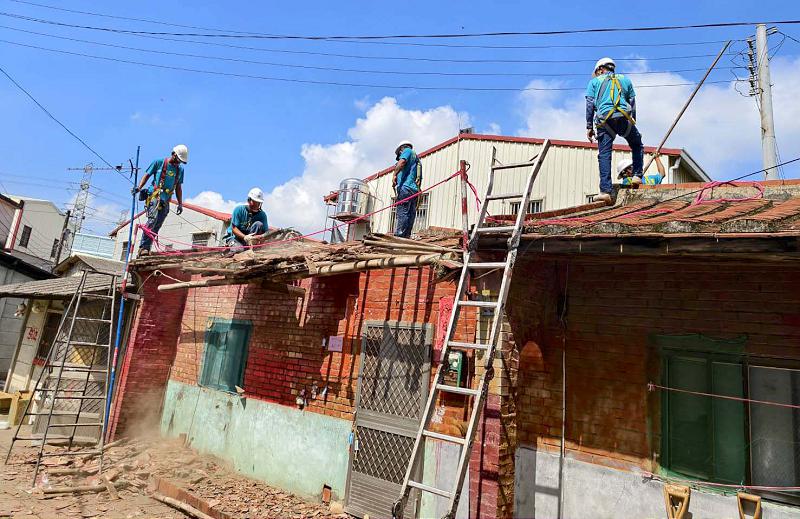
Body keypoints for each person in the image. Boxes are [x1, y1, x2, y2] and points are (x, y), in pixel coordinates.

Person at [585, 57, 644, 203]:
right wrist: (632, 121)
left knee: (604, 154)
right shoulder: (626, 80)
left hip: (604, 121)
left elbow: (590, 104)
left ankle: (605, 191)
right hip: (623, 118)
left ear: (600, 69)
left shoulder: (594, 82)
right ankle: (637, 175)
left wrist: (589, 126)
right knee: (637, 144)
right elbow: (632, 102)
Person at [133, 144, 188, 256]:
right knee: (152, 220)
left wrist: (180, 204)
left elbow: (178, 187)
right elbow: (147, 175)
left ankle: (147, 248)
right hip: (155, 195)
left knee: (158, 224)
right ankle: (143, 248)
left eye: (180, 161)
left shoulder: (180, 170)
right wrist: (139, 187)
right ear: (173, 154)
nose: (178, 163)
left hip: (166, 200)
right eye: (178, 160)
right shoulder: (158, 162)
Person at [392, 140, 422, 238]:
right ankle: (406, 236)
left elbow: (402, 162)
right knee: (410, 213)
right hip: (414, 190)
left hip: (405, 187)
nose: (400, 156)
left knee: (402, 211)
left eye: (399, 154)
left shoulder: (407, 151)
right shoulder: (417, 159)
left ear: (401, 149)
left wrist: (394, 174)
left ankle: (400, 236)